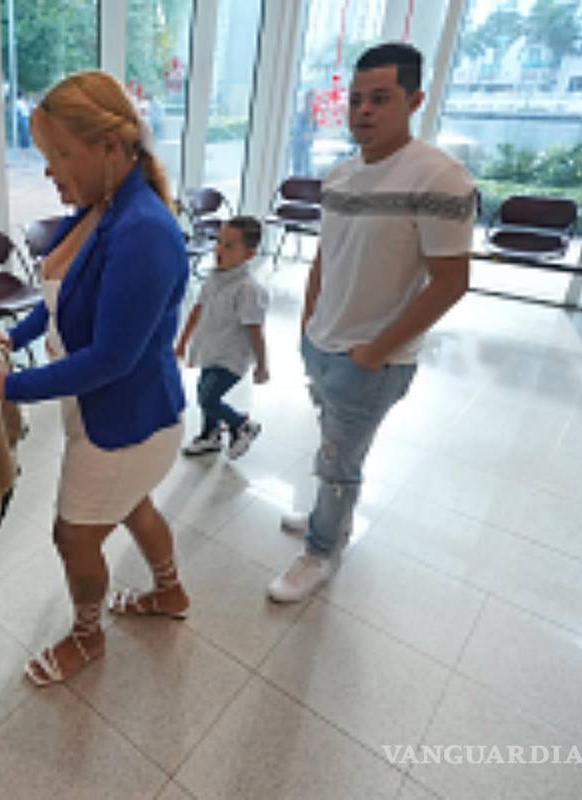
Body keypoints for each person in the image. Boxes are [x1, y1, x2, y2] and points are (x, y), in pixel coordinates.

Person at [0, 70, 190, 686]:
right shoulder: (102, 208)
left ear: (110, 148)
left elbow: (111, 359)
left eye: (60, 154)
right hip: (113, 414)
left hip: (128, 422)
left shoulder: (143, 231)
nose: (49, 170)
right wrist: (12, 336)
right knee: (131, 504)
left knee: (73, 535)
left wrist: (7, 386)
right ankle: (170, 595)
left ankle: (87, 637)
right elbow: (60, 299)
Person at [267, 43, 475, 603]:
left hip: (373, 357)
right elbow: (324, 257)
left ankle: (320, 550)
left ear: (414, 100)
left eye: (380, 98)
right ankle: (327, 519)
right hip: (323, 343)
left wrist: (378, 349)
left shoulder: (440, 179)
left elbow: (452, 281)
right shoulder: (339, 175)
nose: (363, 110)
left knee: (340, 460)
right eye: (356, 99)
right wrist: (308, 323)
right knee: (334, 444)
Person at [174, 216, 269, 459]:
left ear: (249, 255)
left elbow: (255, 330)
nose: (219, 249)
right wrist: (183, 342)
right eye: (219, 242)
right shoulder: (215, 277)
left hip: (231, 357)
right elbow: (198, 308)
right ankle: (210, 435)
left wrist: (262, 365)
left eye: (229, 246)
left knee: (209, 397)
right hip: (210, 349)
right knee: (203, 391)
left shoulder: (248, 289)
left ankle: (242, 425)